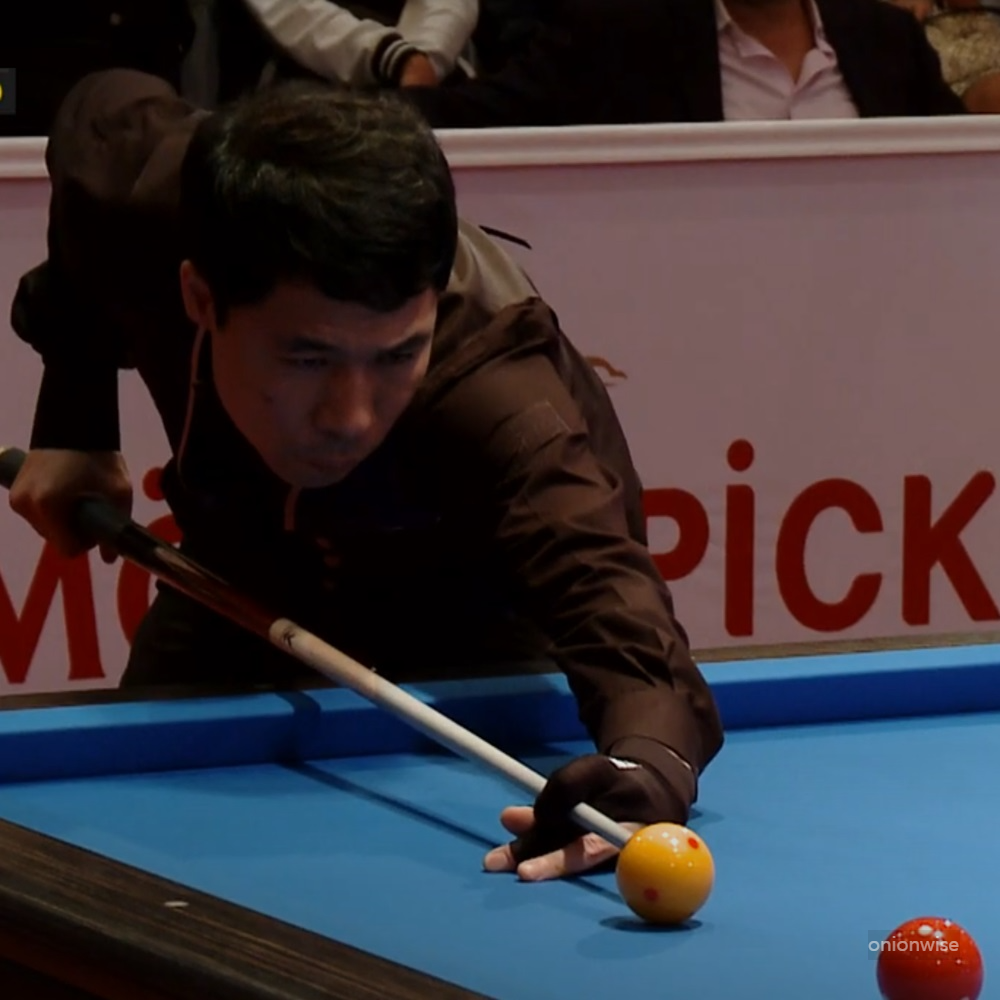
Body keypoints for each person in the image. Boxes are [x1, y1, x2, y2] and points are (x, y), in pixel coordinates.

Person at [6, 70, 724, 882]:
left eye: (396, 356)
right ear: (201, 296)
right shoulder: (149, 195)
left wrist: (645, 764)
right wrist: (73, 419)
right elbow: (99, 112)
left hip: (467, 623)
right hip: (235, 579)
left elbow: (614, 607)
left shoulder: (497, 393)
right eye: (308, 358)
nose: (349, 416)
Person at [402, 0, 965, 128]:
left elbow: (962, 172)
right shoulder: (619, 37)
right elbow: (473, 116)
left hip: (873, 324)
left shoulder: (886, 38)